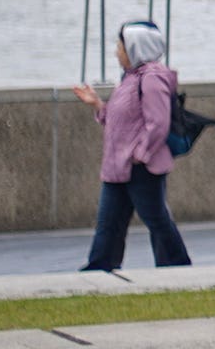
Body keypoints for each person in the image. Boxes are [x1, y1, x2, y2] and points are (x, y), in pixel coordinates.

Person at [71, 23, 192, 270]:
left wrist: (140, 155)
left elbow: (158, 122)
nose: (117, 52)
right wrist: (97, 105)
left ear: (136, 48)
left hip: (140, 168)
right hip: (118, 167)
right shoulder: (130, 79)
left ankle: (177, 267)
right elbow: (122, 122)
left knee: (156, 219)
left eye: (120, 46)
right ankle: (100, 267)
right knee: (109, 221)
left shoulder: (151, 79)